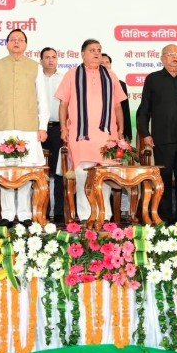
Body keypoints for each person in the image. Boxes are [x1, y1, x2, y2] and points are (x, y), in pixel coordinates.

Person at [0, 29, 49, 227]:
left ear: (26, 45)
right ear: (7, 44)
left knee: (25, 171)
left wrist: (42, 126)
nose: (16, 42)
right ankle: (7, 215)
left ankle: (25, 214)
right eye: (13, 39)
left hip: (28, 128)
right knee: (5, 171)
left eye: (20, 40)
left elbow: (42, 99)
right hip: (2, 127)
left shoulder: (35, 67)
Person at [55, 39, 127, 222]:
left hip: (107, 136)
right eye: (92, 50)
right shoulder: (72, 74)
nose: (96, 53)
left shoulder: (110, 75)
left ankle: (105, 214)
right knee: (82, 174)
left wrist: (121, 129)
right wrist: (63, 128)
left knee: (105, 174)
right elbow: (63, 104)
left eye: (99, 50)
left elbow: (117, 106)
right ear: (83, 54)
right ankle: (85, 215)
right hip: (81, 135)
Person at [136, 45, 177, 224]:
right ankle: (164, 219)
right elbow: (144, 110)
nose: (174, 57)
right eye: (170, 54)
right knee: (163, 180)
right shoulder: (153, 79)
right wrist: (145, 134)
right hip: (163, 139)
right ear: (162, 58)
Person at [39, 47, 65, 222]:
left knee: (58, 172)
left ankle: (59, 212)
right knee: (40, 172)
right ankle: (42, 210)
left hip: (58, 129)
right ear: (41, 60)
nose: (50, 60)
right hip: (38, 129)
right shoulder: (35, 78)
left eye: (53, 57)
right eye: (47, 57)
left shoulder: (64, 79)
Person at [101, 54, 133, 141]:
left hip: (116, 127)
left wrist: (126, 132)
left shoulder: (121, 84)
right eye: (102, 62)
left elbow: (124, 109)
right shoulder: (90, 83)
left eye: (107, 62)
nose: (105, 65)